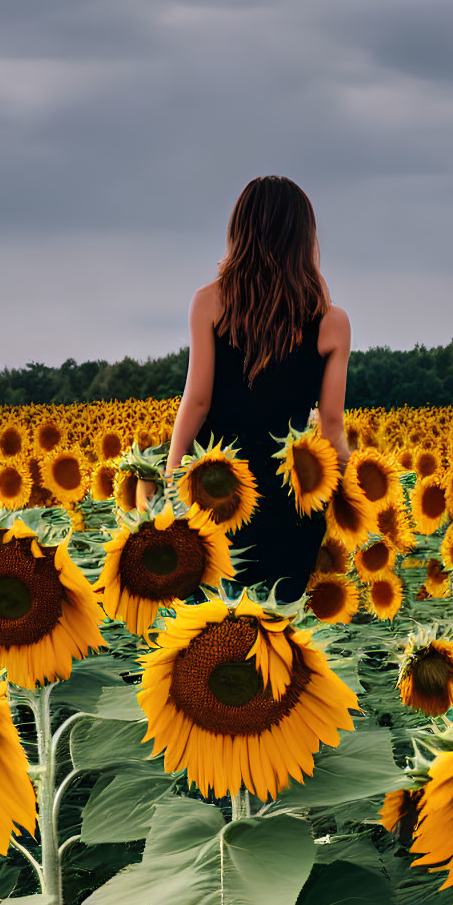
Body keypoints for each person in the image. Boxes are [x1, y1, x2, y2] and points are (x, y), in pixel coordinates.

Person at [136, 175, 353, 605]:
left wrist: (169, 476)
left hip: (214, 492)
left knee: (207, 632)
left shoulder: (209, 303)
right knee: (278, 633)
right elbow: (331, 427)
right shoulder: (331, 321)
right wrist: (350, 498)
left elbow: (197, 401)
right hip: (290, 500)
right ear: (304, 238)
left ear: (240, 231)